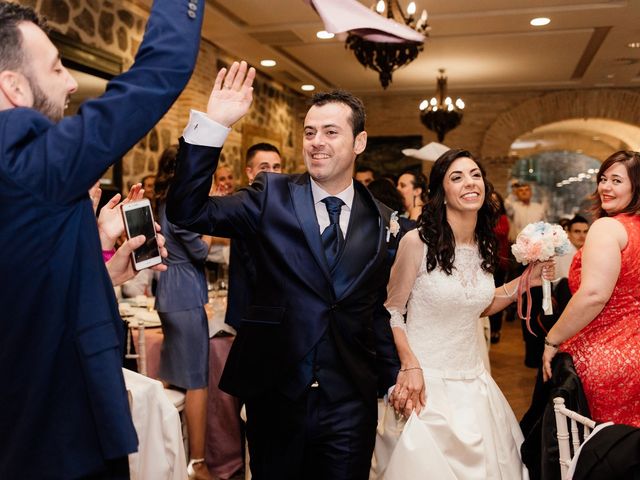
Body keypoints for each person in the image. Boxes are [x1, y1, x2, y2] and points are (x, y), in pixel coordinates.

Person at [168, 61, 401, 480]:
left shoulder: (382, 219)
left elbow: (375, 308)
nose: (316, 142)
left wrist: (394, 376)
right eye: (310, 132)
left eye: (331, 132)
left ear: (359, 141)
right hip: (276, 392)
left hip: (348, 400)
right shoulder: (270, 194)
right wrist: (213, 127)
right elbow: (187, 211)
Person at [0, 0, 204, 477]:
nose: (71, 82)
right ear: (13, 86)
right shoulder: (23, 159)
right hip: (56, 439)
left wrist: (98, 264)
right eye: (56, 67)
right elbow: (160, 70)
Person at [378, 149, 554, 479]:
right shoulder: (416, 242)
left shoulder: (484, 245)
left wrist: (526, 280)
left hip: (475, 383)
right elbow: (392, 310)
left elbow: (479, 306)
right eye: (456, 177)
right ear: (441, 193)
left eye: (474, 174)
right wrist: (409, 365)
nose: (469, 183)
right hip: (426, 382)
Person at [543, 150, 640, 427]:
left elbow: (594, 295)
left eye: (617, 181)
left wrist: (552, 339)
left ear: (637, 186)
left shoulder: (607, 228)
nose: (605, 187)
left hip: (609, 355)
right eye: (603, 178)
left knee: (602, 451)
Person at [153, 145, 213, 479]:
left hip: (167, 290)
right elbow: (200, 250)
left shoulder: (161, 201)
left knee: (173, 376)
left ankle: (169, 454)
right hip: (186, 292)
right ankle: (198, 463)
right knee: (196, 382)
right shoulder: (180, 203)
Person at [225, 142, 283, 330]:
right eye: (264, 168)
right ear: (250, 173)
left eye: (276, 167)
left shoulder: (278, 203)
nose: (272, 173)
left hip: (271, 309)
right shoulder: (245, 206)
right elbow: (255, 267)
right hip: (255, 309)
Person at [489, 191, 510, 343]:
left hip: (500, 263)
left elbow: (501, 232)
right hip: (486, 263)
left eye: (496, 200)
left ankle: (496, 329)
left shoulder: (502, 218)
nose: (493, 203)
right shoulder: (481, 217)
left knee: (498, 296)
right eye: (491, 200)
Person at [555, 214, 589, 280]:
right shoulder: (564, 253)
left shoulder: (585, 251)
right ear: (568, 233)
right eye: (577, 231)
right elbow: (567, 280)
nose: (582, 236)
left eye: (585, 231)